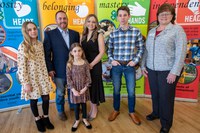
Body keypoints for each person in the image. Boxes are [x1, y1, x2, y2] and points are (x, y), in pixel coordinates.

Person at [141, 3, 187, 133]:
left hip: (168, 70)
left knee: (166, 97)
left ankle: (166, 123)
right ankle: (156, 113)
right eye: (161, 14)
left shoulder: (177, 30)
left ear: (172, 16)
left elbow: (181, 52)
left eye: (167, 13)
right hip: (152, 69)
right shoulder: (152, 31)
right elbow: (146, 51)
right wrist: (143, 65)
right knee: (155, 94)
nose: (164, 16)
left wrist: (174, 72)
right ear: (157, 16)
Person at [107, 6, 144, 125]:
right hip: (116, 66)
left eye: (125, 15)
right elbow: (109, 50)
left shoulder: (136, 31)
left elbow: (141, 48)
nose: (122, 18)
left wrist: (135, 61)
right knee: (116, 89)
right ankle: (116, 109)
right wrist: (112, 60)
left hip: (130, 66)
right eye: (120, 15)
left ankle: (132, 112)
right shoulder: (113, 34)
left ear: (129, 16)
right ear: (117, 17)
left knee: (131, 91)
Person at [17, 21, 54, 132]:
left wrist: (48, 72)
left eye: (34, 28)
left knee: (46, 98)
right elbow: (21, 66)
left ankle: (46, 117)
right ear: (25, 32)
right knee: (33, 100)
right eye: (30, 29)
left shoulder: (40, 44)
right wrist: (25, 83)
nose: (33, 31)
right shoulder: (23, 46)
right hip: (31, 79)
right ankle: (37, 119)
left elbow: (43, 60)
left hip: (42, 75)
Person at [43, 10, 80, 121]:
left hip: (73, 69)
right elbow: (47, 54)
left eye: (64, 18)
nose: (62, 20)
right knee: (60, 93)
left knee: (72, 89)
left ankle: (73, 106)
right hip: (58, 70)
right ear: (56, 20)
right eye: (60, 18)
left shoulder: (75, 34)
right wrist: (50, 69)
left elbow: (78, 51)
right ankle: (60, 111)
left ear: (67, 20)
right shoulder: (50, 34)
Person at [81, 14, 105, 120]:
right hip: (85, 66)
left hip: (94, 66)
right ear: (86, 23)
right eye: (89, 21)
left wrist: (91, 64)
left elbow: (102, 52)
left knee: (94, 88)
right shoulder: (83, 35)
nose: (91, 24)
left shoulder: (99, 35)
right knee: (89, 88)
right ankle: (92, 108)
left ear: (96, 24)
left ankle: (94, 110)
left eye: (94, 22)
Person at [66, 43, 92, 132]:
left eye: (79, 50)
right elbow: (68, 78)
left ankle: (84, 118)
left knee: (84, 104)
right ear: (71, 53)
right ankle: (77, 120)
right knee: (76, 106)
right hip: (75, 89)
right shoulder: (69, 64)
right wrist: (73, 90)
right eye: (75, 51)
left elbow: (88, 77)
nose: (77, 53)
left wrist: (85, 88)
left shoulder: (85, 62)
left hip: (83, 88)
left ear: (82, 52)